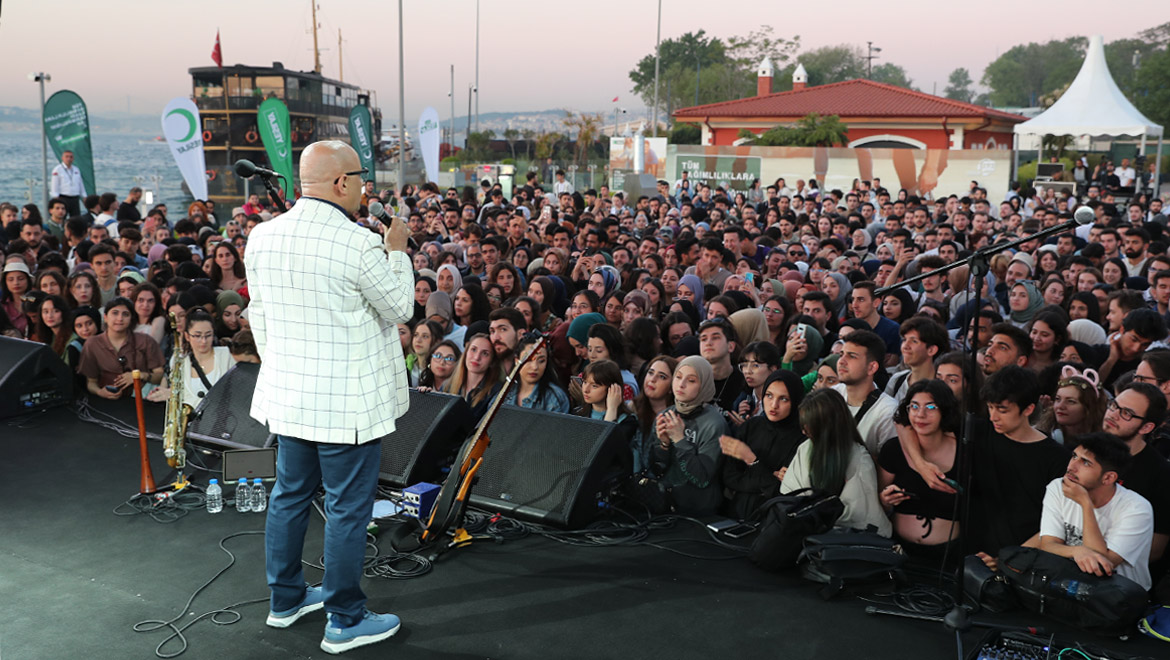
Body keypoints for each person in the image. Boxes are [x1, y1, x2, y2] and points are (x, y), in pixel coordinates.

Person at [246, 141, 413, 653]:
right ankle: (345, 619)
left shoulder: (261, 236)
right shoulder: (358, 244)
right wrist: (399, 250)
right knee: (346, 509)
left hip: (289, 397)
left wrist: (284, 370)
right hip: (346, 408)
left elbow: (260, 320)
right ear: (341, 183)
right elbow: (401, 307)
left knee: (290, 496)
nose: (366, 187)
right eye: (361, 177)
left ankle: (286, 600)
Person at [1038, 432, 1153, 591]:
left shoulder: (1137, 509)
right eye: (1074, 456)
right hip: (1068, 589)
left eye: (1085, 463)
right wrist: (1077, 551)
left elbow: (1102, 565)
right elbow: (1048, 545)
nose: (1072, 466)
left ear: (1108, 478)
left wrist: (1086, 504)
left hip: (1119, 598)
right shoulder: (1058, 487)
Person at [782, 388, 891, 537]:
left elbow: (858, 514)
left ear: (827, 426)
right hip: (803, 530)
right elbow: (790, 494)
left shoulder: (859, 458)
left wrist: (814, 511)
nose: (804, 432)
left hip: (840, 539)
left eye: (809, 426)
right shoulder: (806, 447)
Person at [879, 380, 960, 560]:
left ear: (944, 410)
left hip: (950, 554)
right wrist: (886, 500)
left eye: (930, 407)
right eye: (914, 407)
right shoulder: (893, 450)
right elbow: (877, 501)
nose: (920, 415)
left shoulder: (964, 450)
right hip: (900, 552)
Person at [648, 355, 729, 516]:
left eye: (691, 380)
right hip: (665, 506)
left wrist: (679, 440)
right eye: (678, 377)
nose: (681, 384)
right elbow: (656, 471)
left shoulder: (714, 424)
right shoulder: (666, 415)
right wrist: (663, 445)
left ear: (703, 385)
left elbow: (701, 479)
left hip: (700, 512)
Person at [720, 370, 806, 520]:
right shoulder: (751, 426)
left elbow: (782, 492)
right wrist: (769, 477)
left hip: (775, 519)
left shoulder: (801, 439)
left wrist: (752, 461)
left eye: (784, 399)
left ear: (796, 401)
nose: (774, 405)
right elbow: (729, 476)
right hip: (736, 513)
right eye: (769, 395)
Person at [77, 297, 165, 399]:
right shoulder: (92, 343)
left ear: (131, 318)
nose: (120, 318)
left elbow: (159, 375)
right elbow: (91, 382)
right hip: (106, 402)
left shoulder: (145, 341)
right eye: (115, 313)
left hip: (141, 399)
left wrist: (139, 376)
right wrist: (100, 392)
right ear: (105, 317)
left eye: (125, 314)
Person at [147, 309, 235, 408]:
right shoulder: (179, 361)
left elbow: (233, 395)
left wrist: (176, 396)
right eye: (197, 336)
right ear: (187, 336)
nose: (203, 341)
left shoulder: (226, 355)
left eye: (208, 335)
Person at [831, 330, 898, 457]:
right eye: (841, 354)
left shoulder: (887, 412)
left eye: (852, 356)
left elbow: (886, 466)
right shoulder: (833, 394)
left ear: (872, 367)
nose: (841, 361)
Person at [503, 333, 570, 413]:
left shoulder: (554, 397)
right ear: (517, 361)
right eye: (528, 360)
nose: (535, 367)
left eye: (541, 361)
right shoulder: (504, 394)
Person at [49, 150, 86, 216]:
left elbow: (80, 184)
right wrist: (56, 198)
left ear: (73, 158)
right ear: (62, 158)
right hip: (63, 197)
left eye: (71, 157)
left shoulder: (76, 169)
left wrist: (84, 196)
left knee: (76, 218)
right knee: (61, 217)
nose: (69, 159)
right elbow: (54, 185)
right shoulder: (57, 169)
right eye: (67, 157)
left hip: (75, 198)